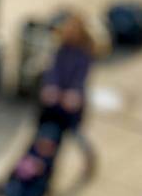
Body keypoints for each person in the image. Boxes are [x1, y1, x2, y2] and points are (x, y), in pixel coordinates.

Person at [35, 12, 100, 181]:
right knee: (47, 144)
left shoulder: (84, 53)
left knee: (77, 136)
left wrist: (73, 92)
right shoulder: (60, 48)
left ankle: (90, 161)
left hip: (71, 105)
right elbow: (52, 70)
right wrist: (51, 87)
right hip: (55, 104)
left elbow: (81, 77)